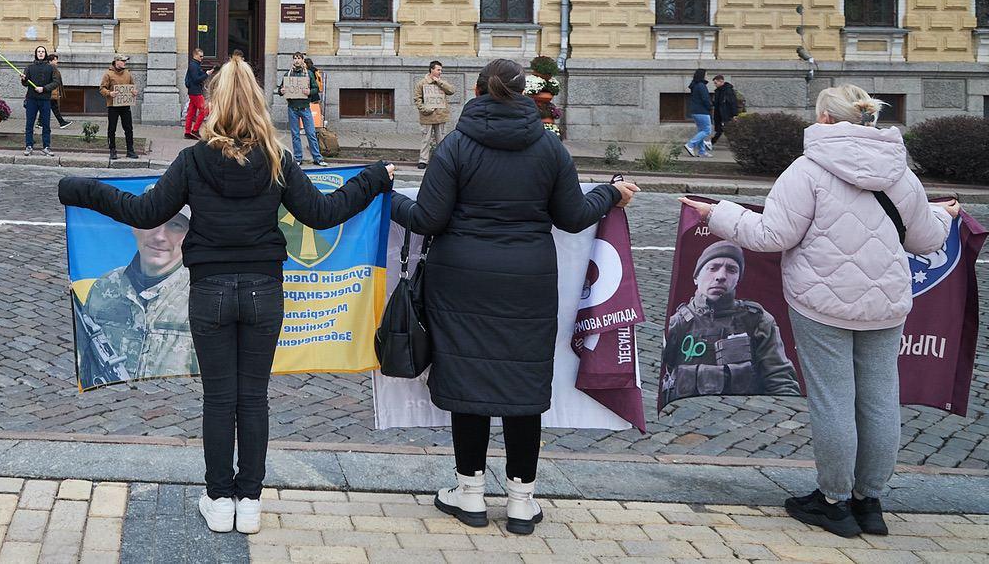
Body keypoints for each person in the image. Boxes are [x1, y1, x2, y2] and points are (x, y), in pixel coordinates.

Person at [58, 57, 392, 536]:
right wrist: (374, 177)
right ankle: (249, 502)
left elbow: (147, 209)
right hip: (263, 292)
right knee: (253, 399)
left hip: (210, 293)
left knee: (219, 400)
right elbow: (323, 212)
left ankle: (218, 500)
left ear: (214, 103)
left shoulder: (195, 159)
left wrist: (81, 189)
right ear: (258, 101)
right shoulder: (277, 157)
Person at [682, 85, 955, 540]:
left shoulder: (807, 170)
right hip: (885, 303)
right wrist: (944, 215)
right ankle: (870, 501)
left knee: (833, 400)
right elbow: (926, 240)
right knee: (880, 399)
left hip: (821, 303)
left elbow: (771, 235)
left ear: (824, 119)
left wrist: (717, 213)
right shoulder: (899, 171)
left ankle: (834, 501)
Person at [389, 58, 637, 536]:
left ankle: (470, 493)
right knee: (522, 387)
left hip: (461, 281)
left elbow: (427, 219)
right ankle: (522, 500)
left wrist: (388, 197)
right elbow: (571, 215)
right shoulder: (549, 148)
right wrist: (609, 194)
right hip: (528, 282)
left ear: (478, 91)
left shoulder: (456, 146)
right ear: (524, 93)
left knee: (469, 381)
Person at [656, 241, 800, 409]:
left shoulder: (758, 321)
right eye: (713, 267)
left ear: (738, 279)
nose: (721, 276)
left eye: (731, 269)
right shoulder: (675, 323)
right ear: (696, 277)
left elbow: (780, 379)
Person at [75, 209, 195, 387]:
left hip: (175, 410)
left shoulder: (201, 294)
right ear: (135, 227)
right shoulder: (104, 287)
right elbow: (85, 361)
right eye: (151, 221)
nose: (159, 236)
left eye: (175, 225)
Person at [277, 52, 324, 167]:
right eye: (295, 58)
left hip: (305, 108)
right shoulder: (287, 74)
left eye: (299, 58)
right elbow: (280, 89)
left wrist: (309, 92)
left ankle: (317, 158)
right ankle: (298, 158)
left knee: (311, 133)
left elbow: (316, 88)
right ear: (292, 60)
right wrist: (281, 91)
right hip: (292, 108)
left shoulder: (308, 74)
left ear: (302, 60)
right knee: (295, 134)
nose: (296, 60)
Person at [413, 61, 458, 169]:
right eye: (438, 70)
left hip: (440, 116)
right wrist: (425, 109)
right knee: (425, 139)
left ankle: (441, 160)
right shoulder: (422, 83)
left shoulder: (442, 82)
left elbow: (452, 91)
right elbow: (417, 99)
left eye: (441, 70)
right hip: (427, 116)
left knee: (441, 140)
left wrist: (439, 82)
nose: (440, 72)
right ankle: (423, 160)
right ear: (431, 70)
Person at [100, 55, 138, 161]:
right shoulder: (108, 74)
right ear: (116, 61)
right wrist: (109, 93)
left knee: (128, 128)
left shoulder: (128, 73)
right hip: (113, 106)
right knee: (112, 129)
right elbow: (102, 88)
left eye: (125, 61)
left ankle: (130, 150)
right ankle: (112, 151)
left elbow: (132, 87)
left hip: (125, 105)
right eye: (123, 61)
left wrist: (134, 92)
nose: (125, 62)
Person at [20, 46, 56, 157]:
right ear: (36, 53)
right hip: (31, 99)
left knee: (46, 124)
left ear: (45, 54)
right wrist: (23, 79)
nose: (41, 53)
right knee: (29, 124)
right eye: (39, 52)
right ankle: (29, 146)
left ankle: (46, 147)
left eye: (43, 52)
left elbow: (56, 82)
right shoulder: (29, 67)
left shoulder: (51, 68)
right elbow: (26, 83)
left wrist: (44, 89)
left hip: (45, 100)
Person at [683, 68, 712, 157]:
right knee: (707, 131)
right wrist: (710, 106)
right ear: (702, 75)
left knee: (701, 131)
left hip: (695, 111)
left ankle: (702, 152)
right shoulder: (701, 85)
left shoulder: (695, 85)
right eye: (706, 74)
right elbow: (705, 99)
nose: (707, 76)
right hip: (702, 111)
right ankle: (690, 145)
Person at [184, 48, 212, 139]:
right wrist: (206, 74)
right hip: (195, 92)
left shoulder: (194, 65)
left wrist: (205, 74)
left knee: (191, 112)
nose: (202, 58)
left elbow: (196, 78)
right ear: (195, 55)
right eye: (200, 56)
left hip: (193, 91)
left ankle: (187, 132)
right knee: (203, 110)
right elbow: (196, 79)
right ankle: (195, 130)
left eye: (202, 56)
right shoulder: (194, 65)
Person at [711, 74, 740, 144]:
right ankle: (733, 142)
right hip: (720, 113)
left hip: (726, 113)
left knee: (723, 128)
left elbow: (733, 102)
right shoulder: (718, 91)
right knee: (723, 129)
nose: (715, 85)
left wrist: (734, 114)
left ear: (721, 81)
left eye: (716, 83)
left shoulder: (728, 90)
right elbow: (717, 102)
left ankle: (712, 142)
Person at [49, 53, 73, 130]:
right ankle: (62, 122)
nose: (57, 61)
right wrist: (55, 93)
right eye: (55, 60)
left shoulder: (53, 69)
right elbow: (53, 83)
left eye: (56, 59)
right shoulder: (51, 69)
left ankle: (40, 123)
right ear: (50, 61)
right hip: (51, 93)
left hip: (52, 93)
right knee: (54, 108)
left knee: (49, 108)